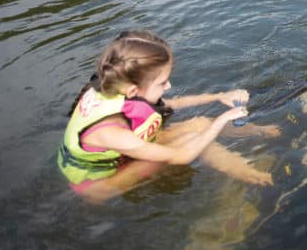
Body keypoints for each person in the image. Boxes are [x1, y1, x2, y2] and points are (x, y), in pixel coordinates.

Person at [58, 30, 276, 202]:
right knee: (191, 141)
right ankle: (252, 175)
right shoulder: (111, 133)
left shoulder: (120, 88)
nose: (169, 85)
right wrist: (221, 120)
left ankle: (257, 131)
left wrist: (219, 96)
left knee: (199, 123)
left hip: (123, 154)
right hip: (102, 185)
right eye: (162, 83)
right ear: (134, 90)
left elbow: (174, 104)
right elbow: (181, 157)